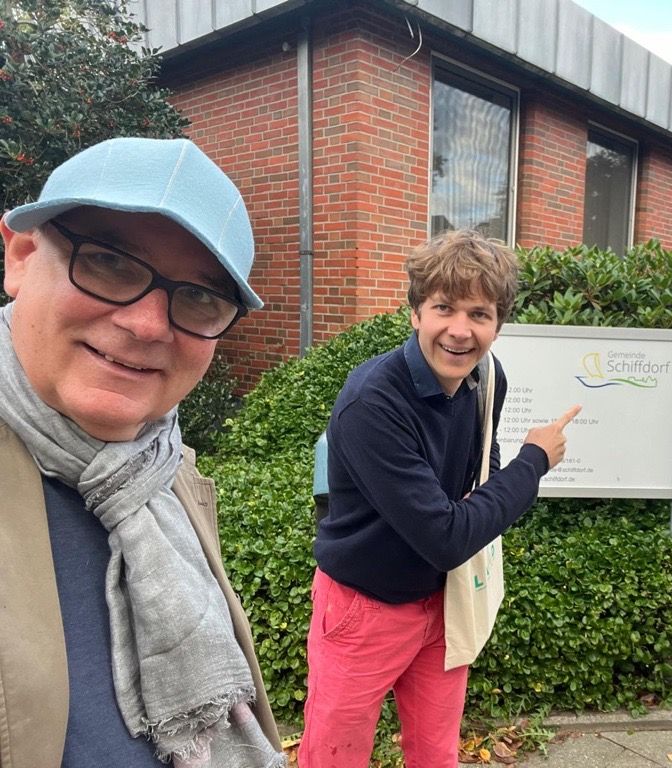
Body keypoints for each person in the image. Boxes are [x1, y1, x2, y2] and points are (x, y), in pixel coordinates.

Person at [0, 137, 283, 768]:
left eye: (200, 297)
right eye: (109, 262)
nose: (149, 324)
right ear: (20, 256)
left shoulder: (165, 469)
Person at [299, 229, 581, 767]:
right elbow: (446, 536)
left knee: (436, 754)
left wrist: (501, 482)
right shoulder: (372, 402)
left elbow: (482, 471)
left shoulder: (486, 378)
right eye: (443, 308)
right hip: (363, 608)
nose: (459, 330)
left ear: (498, 324)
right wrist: (536, 461)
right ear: (415, 313)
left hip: (443, 603)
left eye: (479, 313)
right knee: (334, 757)